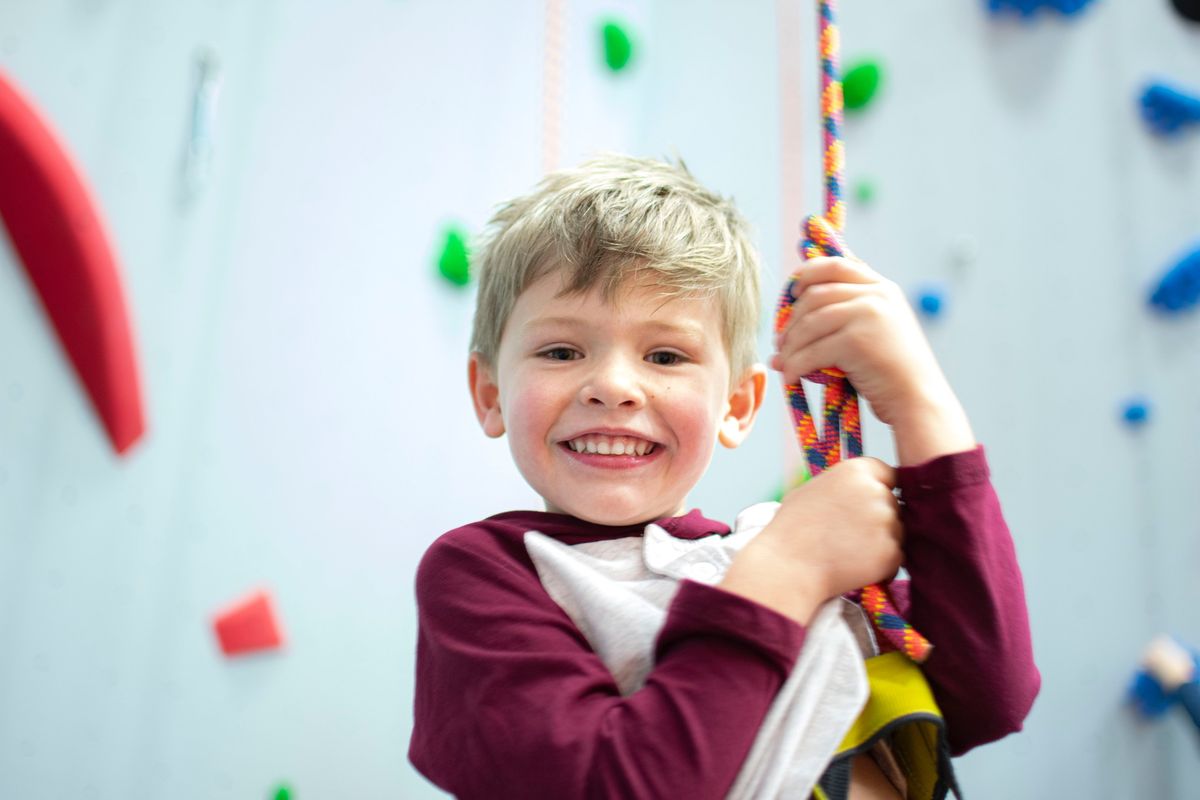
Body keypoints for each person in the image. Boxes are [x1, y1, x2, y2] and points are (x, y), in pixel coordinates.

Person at [409, 154, 1040, 799]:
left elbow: (988, 696)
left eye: (665, 355)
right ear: (489, 392)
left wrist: (919, 402)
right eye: (561, 351)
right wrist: (787, 574)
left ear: (736, 405)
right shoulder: (489, 575)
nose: (613, 387)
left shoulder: (779, 554)